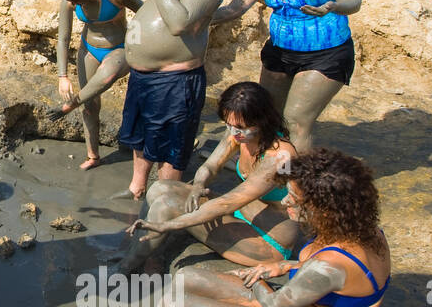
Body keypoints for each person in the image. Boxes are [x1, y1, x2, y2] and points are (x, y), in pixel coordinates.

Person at [87, 148, 389, 307]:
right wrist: (285, 265)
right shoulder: (363, 231)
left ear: (326, 210)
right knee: (187, 278)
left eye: (293, 200)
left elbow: (275, 305)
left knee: (180, 306)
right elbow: (338, 278)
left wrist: (257, 276)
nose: (284, 203)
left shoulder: (331, 265)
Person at [211, 0, 360, 151]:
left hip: (326, 54)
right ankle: (266, 172)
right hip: (280, 52)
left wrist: (332, 6)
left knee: (296, 121)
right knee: (268, 115)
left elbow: (353, 0)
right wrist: (195, 19)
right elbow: (235, 8)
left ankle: (297, 184)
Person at [117, 81, 299, 272]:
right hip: (241, 214)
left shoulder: (280, 156)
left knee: (166, 207)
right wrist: (198, 185)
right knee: (160, 188)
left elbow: (228, 203)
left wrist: (168, 225)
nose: (234, 133)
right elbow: (211, 166)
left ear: (262, 121)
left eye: (240, 127)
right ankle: (140, 250)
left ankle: (124, 268)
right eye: (229, 125)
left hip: (267, 241)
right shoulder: (239, 133)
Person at [107, 0, 226, 198]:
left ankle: (164, 200)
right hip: (142, 76)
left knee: (170, 148)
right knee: (142, 137)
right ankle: (137, 187)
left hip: (176, 80)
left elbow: (179, 24)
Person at [54, 0, 141, 169]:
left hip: (119, 48)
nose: (73, 4)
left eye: (77, 1)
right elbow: (63, 38)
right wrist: (62, 76)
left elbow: (144, 13)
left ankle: (71, 104)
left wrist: (137, 41)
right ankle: (93, 156)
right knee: (90, 106)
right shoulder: (70, 0)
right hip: (89, 49)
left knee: (107, 75)